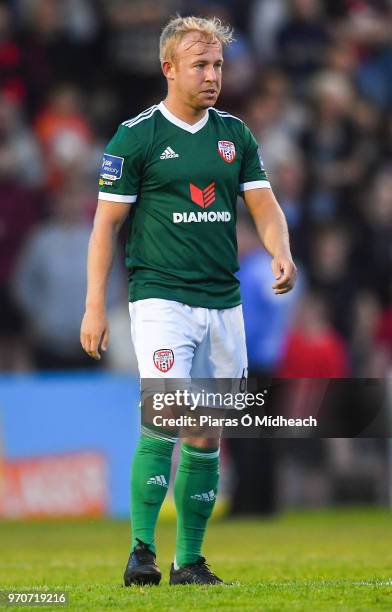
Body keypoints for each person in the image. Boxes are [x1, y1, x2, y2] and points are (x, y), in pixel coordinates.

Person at [80, 15, 296, 586]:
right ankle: (141, 552)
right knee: (165, 415)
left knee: (208, 431)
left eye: (219, 65)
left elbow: (265, 205)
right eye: (200, 65)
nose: (212, 76)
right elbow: (105, 228)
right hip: (160, 300)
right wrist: (94, 306)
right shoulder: (137, 137)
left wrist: (280, 250)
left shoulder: (235, 136)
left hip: (223, 303)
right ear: (168, 68)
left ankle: (189, 563)